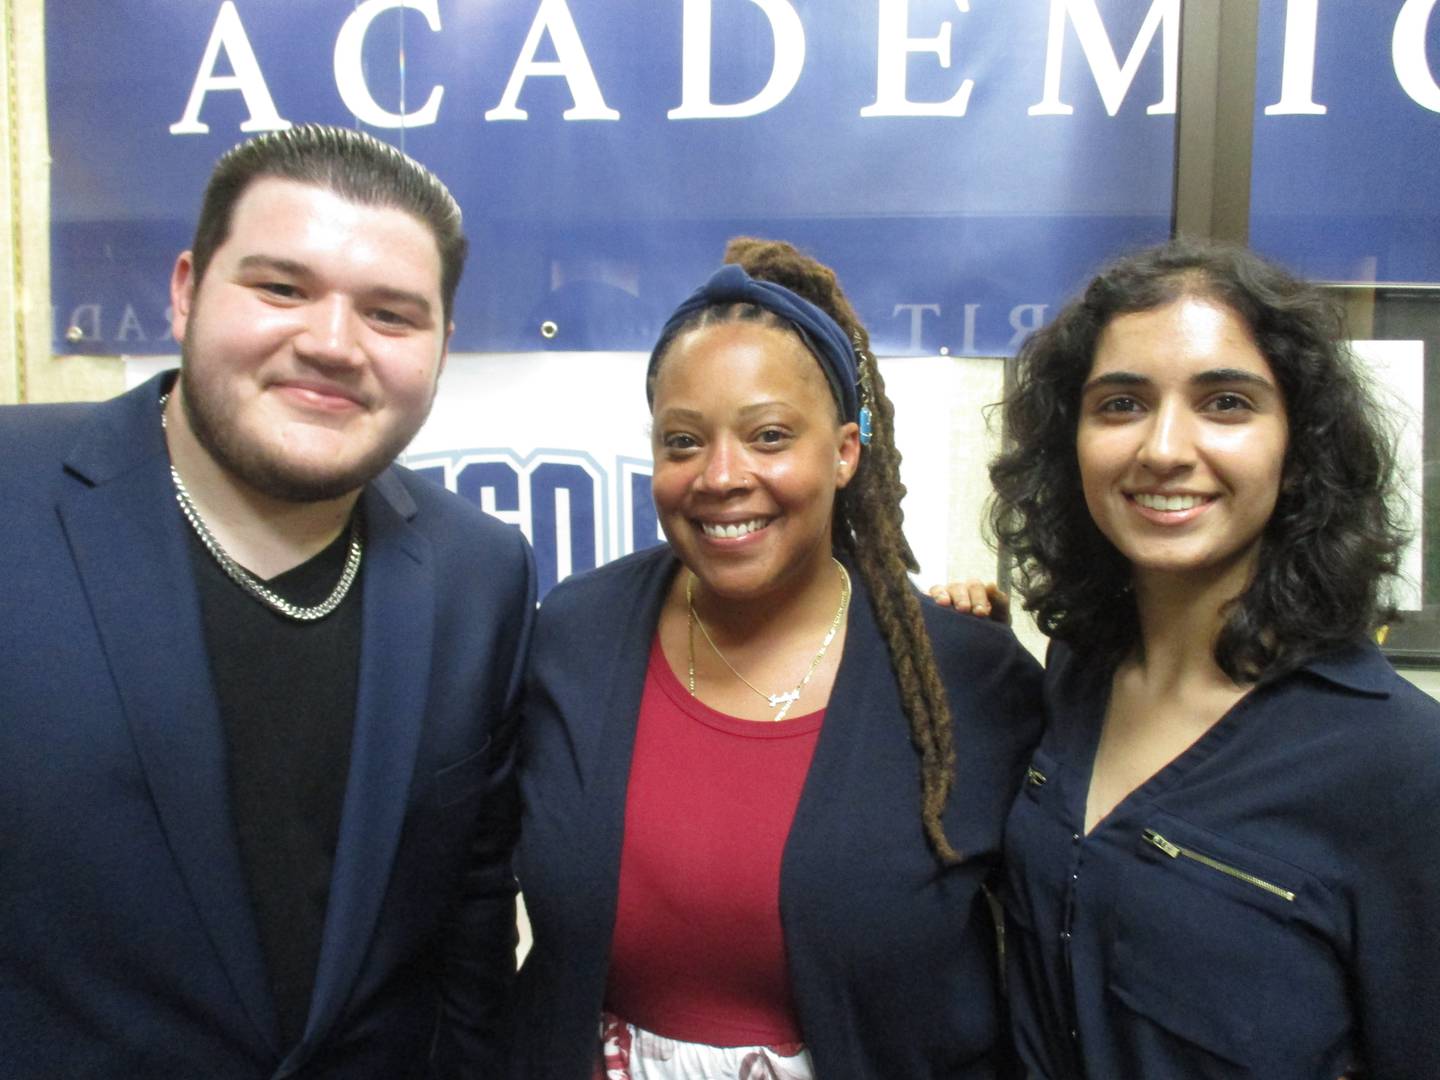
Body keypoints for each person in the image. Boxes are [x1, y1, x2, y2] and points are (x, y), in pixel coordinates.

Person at [0, 125, 535, 1076]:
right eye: (281, 288)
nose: (331, 344)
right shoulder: (14, 497)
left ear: (443, 346)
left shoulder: (480, 575)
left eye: (391, 315)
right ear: (185, 291)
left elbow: (472, 924)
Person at [509, 238, 1043, 1078]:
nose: (722, 476)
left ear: (844, 452)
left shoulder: (966, 680)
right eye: (683, 442)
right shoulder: (574, 636)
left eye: (767, 436)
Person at [976, 238, 1440, 1077]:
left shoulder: (1402, 766)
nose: (1162, 448)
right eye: (1120, 404)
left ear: (1298, 452)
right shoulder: (1076, 674)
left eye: (1225, 403)